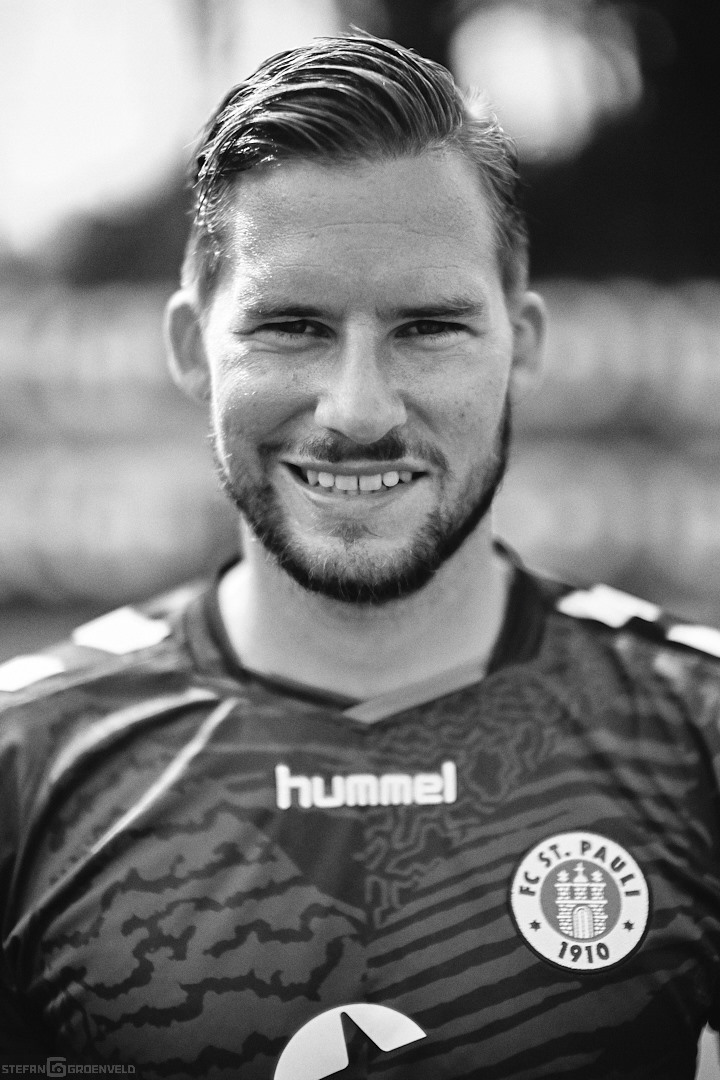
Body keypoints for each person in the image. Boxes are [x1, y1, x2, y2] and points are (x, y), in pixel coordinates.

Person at [1, 33, 720, 1080]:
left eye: (427, 328)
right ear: (193, 350)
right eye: (292, 327)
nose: (358, 411)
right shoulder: (25, 767)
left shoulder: (698, 737)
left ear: (523, 344)